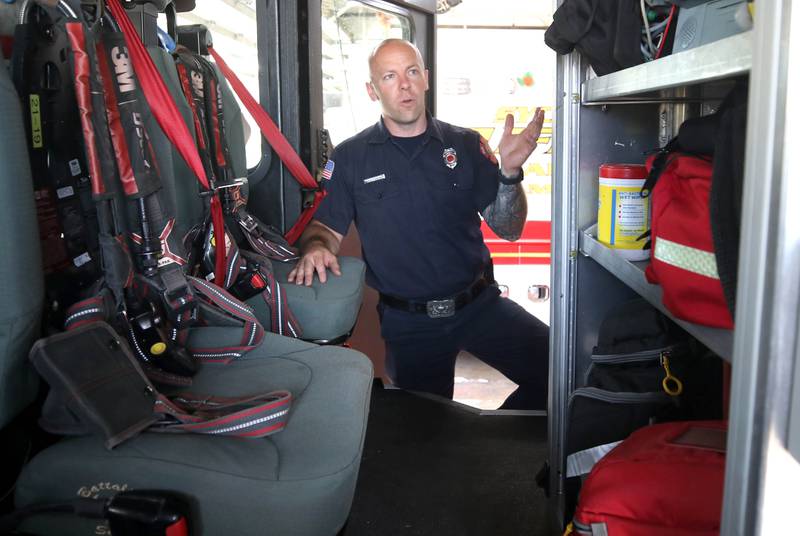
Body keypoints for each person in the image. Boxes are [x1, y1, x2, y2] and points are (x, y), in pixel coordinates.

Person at [288, 38, 548, 409]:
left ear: (425, 78)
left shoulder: (465, 145)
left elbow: (509, 228)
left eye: (411, 72)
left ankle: (488, 450)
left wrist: (509, 174)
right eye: (390, 76)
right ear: (372, 89)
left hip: (480, 306)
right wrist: (315, 248)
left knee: (560, 373)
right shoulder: (351, 158)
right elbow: (325, 230)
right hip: (409, 325)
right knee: (426, 437)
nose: (404, 84)